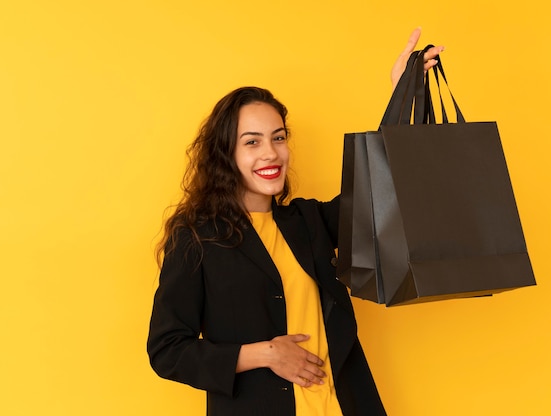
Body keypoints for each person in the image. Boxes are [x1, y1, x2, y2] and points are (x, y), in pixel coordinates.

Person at [147, 28, 444, 416]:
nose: (270, 154)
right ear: (226, 155)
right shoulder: (197, 237)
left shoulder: (308, 220)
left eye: (279, 138)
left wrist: (402, 93)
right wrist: (266, 354)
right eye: (252, 142)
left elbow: (383, 193)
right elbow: (168, 349)